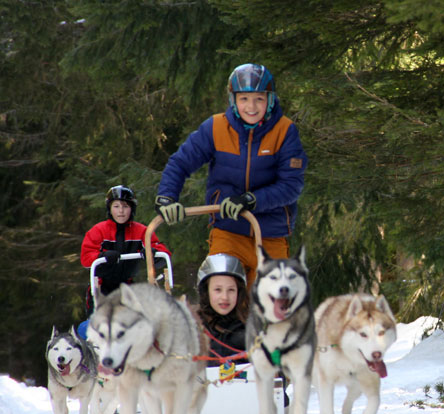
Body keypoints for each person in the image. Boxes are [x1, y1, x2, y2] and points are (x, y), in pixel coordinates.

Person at [154, 63, 308, 287]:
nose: (252, 107)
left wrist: (250, 200)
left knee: (268, 302)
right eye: (244, 99)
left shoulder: (285, 131)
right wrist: (167, 197)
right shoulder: (216, 128)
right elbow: (180, 163)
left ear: (270, 100)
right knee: (222, 293)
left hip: (270, 235)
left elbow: (291, 185)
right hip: (228, 232)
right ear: (233, 100)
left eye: (259, 99)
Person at [77, 185, 171, 338]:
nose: (121, 211)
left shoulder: (141, 231)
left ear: (132, 208)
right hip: (102, 287)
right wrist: (103, 256)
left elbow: (161, 250)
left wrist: (153, 253)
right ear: (110, 208)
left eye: (125, 206)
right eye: (116, 206)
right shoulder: (99, 231)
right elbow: (86, 257)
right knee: (98, 328)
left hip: (128, 286)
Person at [195, 253, 249, 367]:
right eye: (218, 290)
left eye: (231, 290)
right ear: (206, 291)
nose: (225, 297)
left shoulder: (250, 328)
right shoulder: (193, 328)